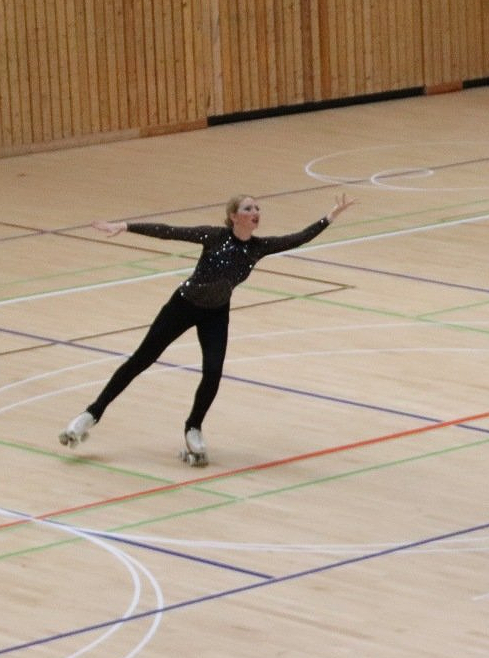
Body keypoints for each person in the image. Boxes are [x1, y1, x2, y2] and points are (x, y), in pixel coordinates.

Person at [57, 192, 356, 465]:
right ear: (233, 216)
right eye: (248, 208)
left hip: (216, 314)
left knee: (213, 371)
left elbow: (298, 238)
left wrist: (330, 216)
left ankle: (193, 428)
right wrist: (125, 226)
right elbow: (169, 232)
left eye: (257, 208)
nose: (255, 212)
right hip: (183, 306)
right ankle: (90, 415)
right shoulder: (214, 237)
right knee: (141, 359)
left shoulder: (258, 247)